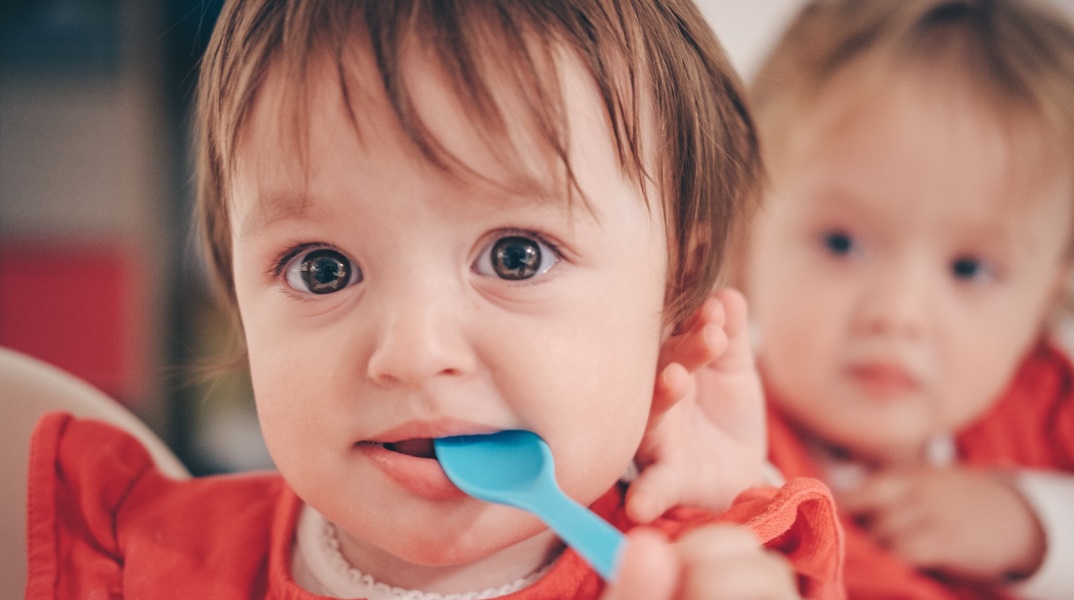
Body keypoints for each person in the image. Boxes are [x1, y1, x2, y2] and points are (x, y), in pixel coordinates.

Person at [24, 1, 845, 599]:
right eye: (322, 269)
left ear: (675, 298)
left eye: (516, 258)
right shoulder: (141, 558)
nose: (413, 353)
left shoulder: (703, 579)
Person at [737, 0, 1074, 598]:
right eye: (840, 243)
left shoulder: (1044, 408)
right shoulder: (719, 443)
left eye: (969, 268)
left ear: (1045, 300)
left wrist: (1035, 526)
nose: (899, 313)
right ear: (743, 234)